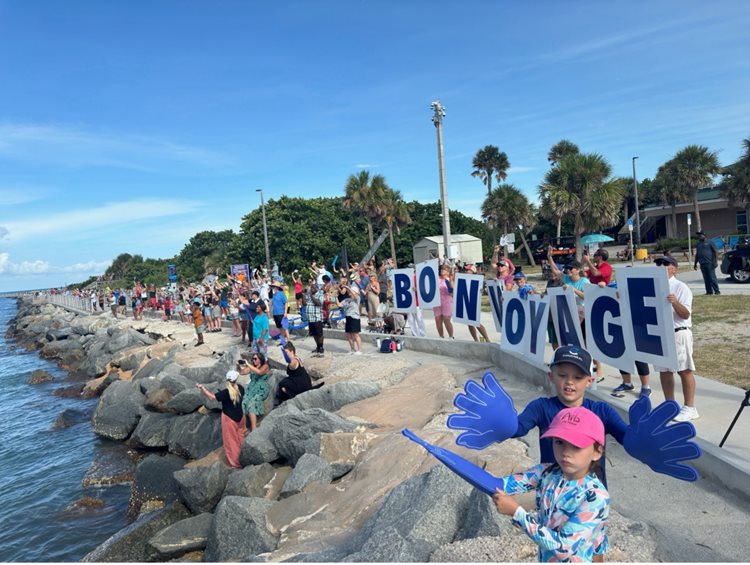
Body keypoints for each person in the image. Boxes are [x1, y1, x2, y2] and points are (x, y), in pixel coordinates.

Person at [493, 406, 608, 562]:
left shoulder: (595, 496)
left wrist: (517, 513)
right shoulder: (546, 472)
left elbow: (564, 548)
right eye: (559, 442)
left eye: (576, 445)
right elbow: (500, 485)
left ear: (597, 452)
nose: (566, 452)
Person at [654, 255, 698, 422]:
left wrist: (674, 302)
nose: (661, 266)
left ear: (674, 268)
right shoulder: (655, 286)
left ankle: (690, 407)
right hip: (661, 333)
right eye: (659, 264)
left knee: (684, 370)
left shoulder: (681, 287)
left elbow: (686, 314)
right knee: (664, 371)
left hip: (678, 332)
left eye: (666, 264)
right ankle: (669, 405)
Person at [196, 370, 245, 468]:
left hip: (229, 418)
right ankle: (245, 457)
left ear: (227, 380)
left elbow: (212, 397)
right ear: (236, 379)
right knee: (241, 437)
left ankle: (236, 463)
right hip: (240, 416)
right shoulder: (241, 388)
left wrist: (202, 388)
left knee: (231, 441)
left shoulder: (226, 392)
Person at [238, 353, 270, 432]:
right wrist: (238, 366)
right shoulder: (252, 367)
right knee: (243, 403)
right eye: (253, 359)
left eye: (255, 359)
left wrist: (248, 364)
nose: (253, 360)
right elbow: (242, 372)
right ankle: (244, 427)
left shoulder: (265, 366)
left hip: (261, 389)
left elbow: (259, 372)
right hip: (251, 389)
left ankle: (254, 428)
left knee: (251, 404)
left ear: (260, 359)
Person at [338, 277, 363, 354]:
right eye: (349, 292)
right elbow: (339, 304)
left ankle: (360, 350)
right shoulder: (347, 300)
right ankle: (352, 349)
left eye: (350, 292)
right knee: (348, 334)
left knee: (356, 334)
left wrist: (347, 287)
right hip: (348, 317)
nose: (349, 293)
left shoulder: (357, 299)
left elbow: (355, 295)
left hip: (354, 317)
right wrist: (335, 296)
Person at [305, 277, 327, 356]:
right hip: (310, 318)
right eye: (311, 288)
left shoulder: (319, 294)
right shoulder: (310, 295)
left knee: (319, 334)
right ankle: (317, 347)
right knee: (314, 334)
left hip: (317, 318)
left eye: (313, 288)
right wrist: (303, 295)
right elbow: (304, 303)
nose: (311, 289)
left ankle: (321, 348)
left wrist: (311, 296)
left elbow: (318, 303)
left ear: (317, 288)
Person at [694, 230, 720, 295]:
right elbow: (697, 254)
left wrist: (716, 262)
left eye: (700, 235)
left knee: (712, 278)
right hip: (702, 263)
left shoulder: (710, 242)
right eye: (698, 236)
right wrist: (695, 264)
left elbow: (716, 252)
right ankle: (709, 292)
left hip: (710, 263)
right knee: (706, 278)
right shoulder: (698, 244)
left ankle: (717, 291)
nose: (699, 237)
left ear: (704, 235)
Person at [432, 263, 455, 339]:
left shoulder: (449, 279)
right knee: (438, 320)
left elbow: (452, 291)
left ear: (447, 271)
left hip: (446, 302)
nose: (442, 270)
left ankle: (451, 336)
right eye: (441, 269)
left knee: (446, 320)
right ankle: (441, 336)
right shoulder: (436, 279)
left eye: (444, 269)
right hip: (436, 302)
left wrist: (451, 281)